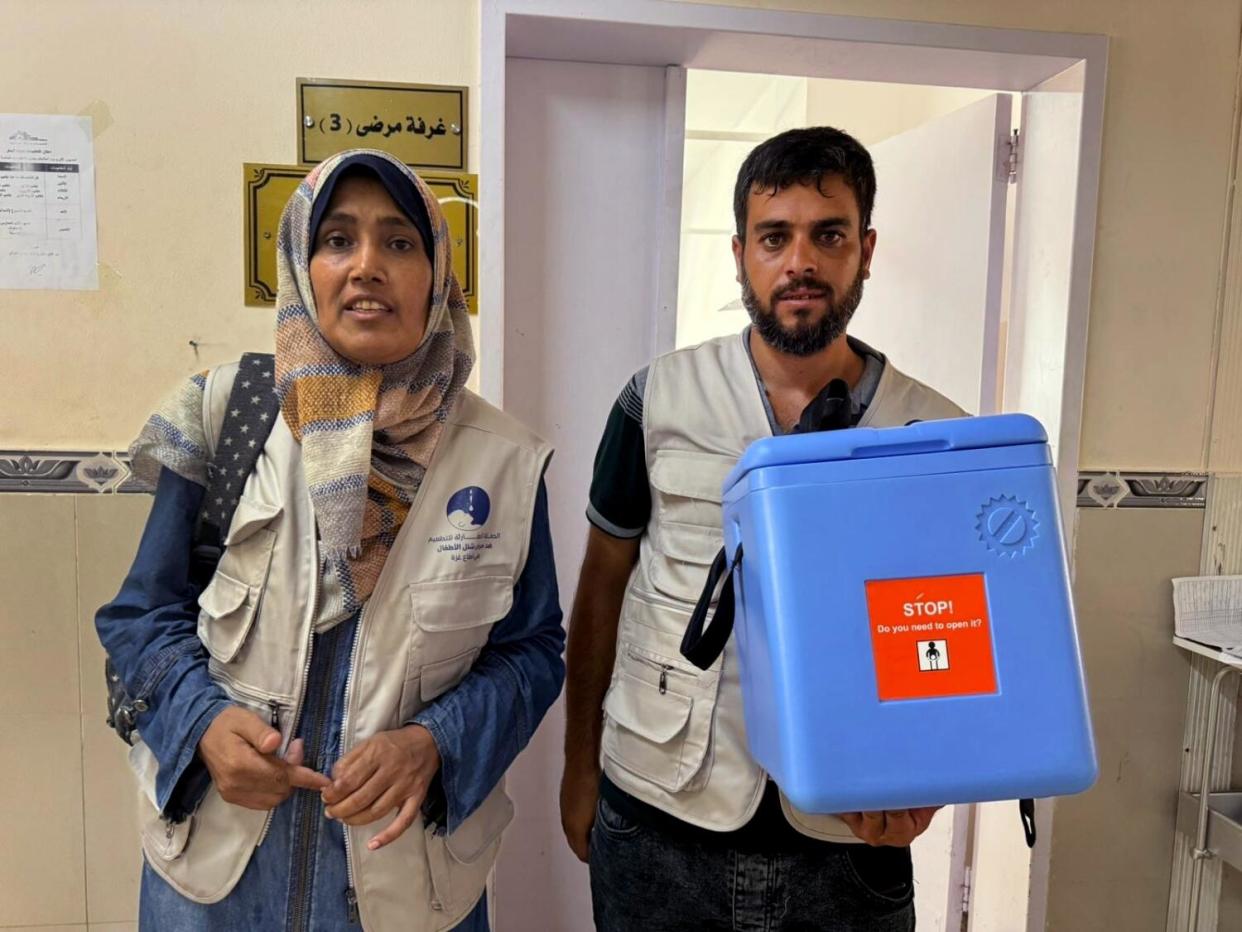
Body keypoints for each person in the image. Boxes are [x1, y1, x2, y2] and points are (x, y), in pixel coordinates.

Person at [96, 149, 564, 931]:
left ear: (439, 274)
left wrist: (434, 743)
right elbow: (139, 618)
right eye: (338, 239)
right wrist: (203, 725)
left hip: (407, 886)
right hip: (217, 883)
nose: (367, 266)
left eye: (400, 242)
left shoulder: (507, 460)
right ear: (300, 265)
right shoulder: (230, 413)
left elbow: (533, 651)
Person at [559, 126, 966, 931]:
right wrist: (578, 771)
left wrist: (932, 776)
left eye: (830, 235)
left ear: (867, 248)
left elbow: (953, 636)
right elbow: (602, 589)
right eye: (776, 237)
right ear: (742, 251)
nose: (801, 263)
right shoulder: (655, 401)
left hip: (850, 846)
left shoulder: (936, 434)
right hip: (655, 817)